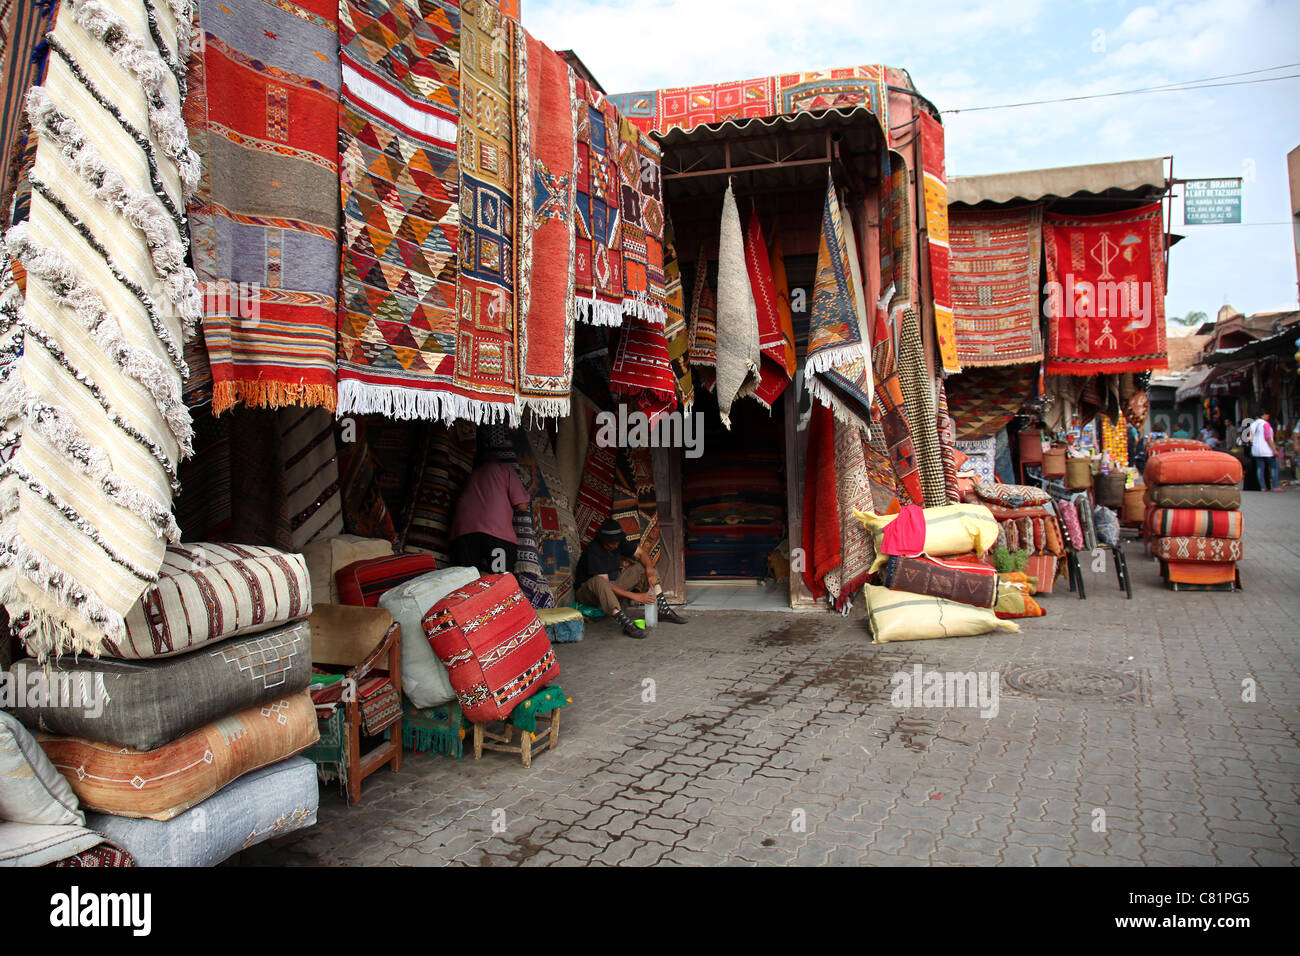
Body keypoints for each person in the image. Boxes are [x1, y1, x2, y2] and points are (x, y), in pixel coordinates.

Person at [575, 518, 687, 638]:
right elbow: (605, 584)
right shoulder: (594, 550)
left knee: (644, 568)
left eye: (618, 542)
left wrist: (649, 571)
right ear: (603, 540)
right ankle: (626, 624)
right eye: (612, 543)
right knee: (600, 581)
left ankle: (663, 609)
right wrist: (635, 596)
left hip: (612, 587)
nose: (616, 545)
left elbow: (641, 554)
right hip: (589, 593)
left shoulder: (618, 542)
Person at [448, 459, 531, 574]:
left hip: (462, 531)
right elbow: (522, 506)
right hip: (495, 532)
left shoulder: (474, 473)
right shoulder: (505, 469)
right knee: (500, 578)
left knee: (464, 580)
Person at [1246, 411, 1283, 492]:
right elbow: (1268, 438)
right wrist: (1274, 449)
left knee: (1260, 468)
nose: (1268, 417)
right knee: (1274, 467)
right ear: (1263, 415)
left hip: (1256, 450)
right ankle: (1275, 486)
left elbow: (1250, 439)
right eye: (1267, 415)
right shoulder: (1265, 424)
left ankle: (1263, 487)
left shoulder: (1253, 424)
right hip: (1267, 449)